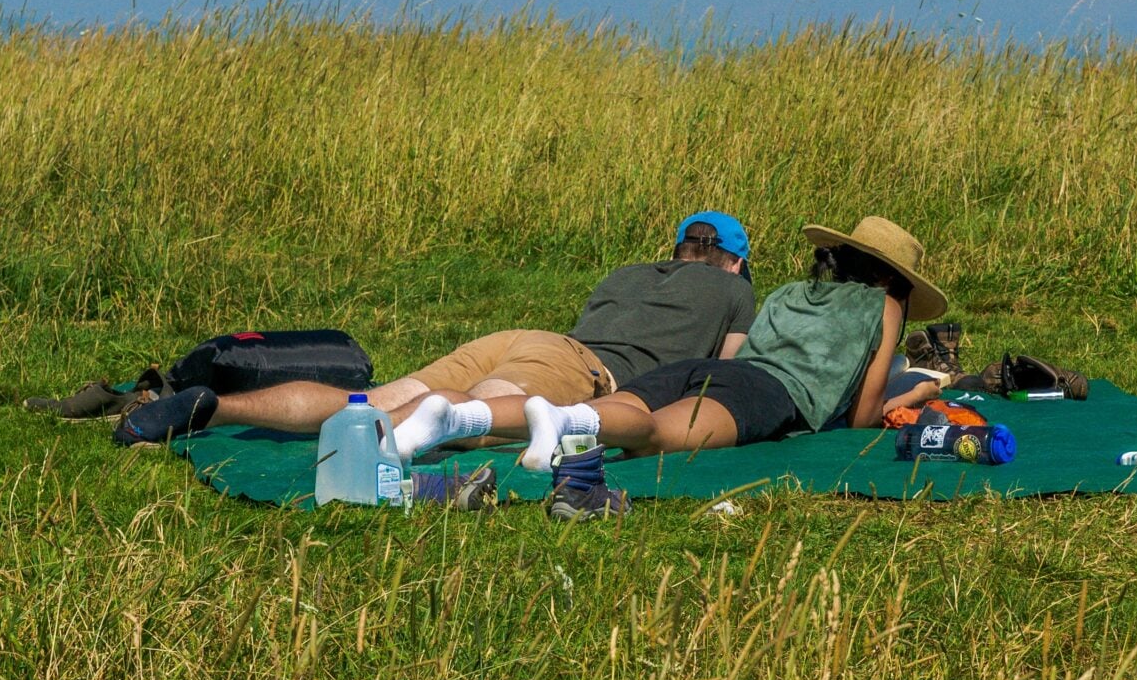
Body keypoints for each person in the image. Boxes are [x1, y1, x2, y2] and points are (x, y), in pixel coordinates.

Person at [419, 216, 946, 520]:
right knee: (652, 437)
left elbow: (746, 356)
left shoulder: (789, 292)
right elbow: (862, 416)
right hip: (764, 392)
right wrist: (913, 397)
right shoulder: (886, 306)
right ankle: (567, 426)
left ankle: (460, 415)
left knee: (613, 407)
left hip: (705, 369)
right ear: (894, 279)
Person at [113, 212, 758, 446]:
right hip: (583, 367)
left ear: (676, 249)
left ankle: (216, 409)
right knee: (461, 417)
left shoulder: (624, 274)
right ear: (732, 260)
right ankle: (372, 453)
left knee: (376, 398)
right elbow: (727, 374)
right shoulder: (734, 289)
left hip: (524, 338)